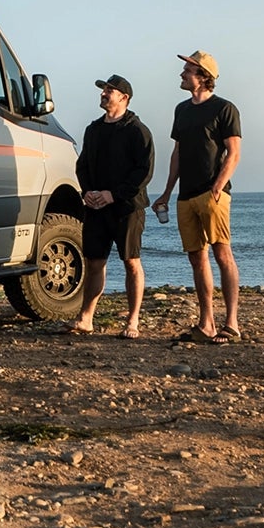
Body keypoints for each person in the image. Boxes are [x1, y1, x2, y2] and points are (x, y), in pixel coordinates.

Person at [151, 50, 243, 342]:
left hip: (213, 194)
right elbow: (177, 153)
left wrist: (218, 187)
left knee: (222, 253)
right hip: (185, 196)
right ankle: (207, 324)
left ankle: (231, 324)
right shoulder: (181, 110)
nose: (181, 74)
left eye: (187, 70)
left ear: (203, 76)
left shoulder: (224, 109)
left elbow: (234, 152)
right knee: (196, 258)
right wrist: (166, 191)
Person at [73, 74, 155, 339]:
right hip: (96, 207)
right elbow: (82, 165)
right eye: (103, 89)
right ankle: (86, 319)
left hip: (127, 207)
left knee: (131, 262)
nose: (104, 93)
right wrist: (88, 192)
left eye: (110, 90)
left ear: (124, 97)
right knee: (94, 261)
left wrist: (114, 195)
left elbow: (144, 172)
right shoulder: (93, 129)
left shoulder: (137, 130)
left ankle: (132, 321)